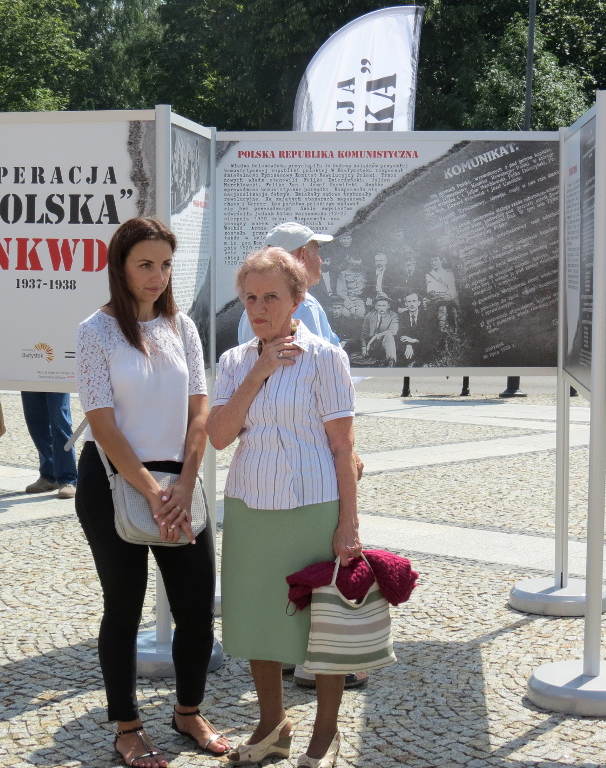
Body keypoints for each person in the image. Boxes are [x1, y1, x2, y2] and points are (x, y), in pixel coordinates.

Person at [75, 217, 227, 768]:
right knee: (123, 608)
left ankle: (188, 712)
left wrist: (184, 483)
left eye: (165, 264)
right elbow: (102, 423)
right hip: (112, 481)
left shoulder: (181, 326)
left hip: (178, 483)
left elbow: (200, 411)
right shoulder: (95, 331)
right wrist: (152, 491)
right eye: (145, 264)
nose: (157, 275)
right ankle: (127, 728)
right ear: (119, 266)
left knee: (196, 610)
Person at [209, 246, 362, 768]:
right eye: (251, 297)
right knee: (259, 618)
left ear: (297, 300)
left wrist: (348, 522)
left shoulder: (325, 358)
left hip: (313, 505)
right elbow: (219, 437)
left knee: (323, 625)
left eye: (271, 296)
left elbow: (343, 447)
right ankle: (272, 726)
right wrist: (259, 371)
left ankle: (326, 731)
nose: (259, 308)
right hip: (251, 505)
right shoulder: (234, 362)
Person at [237, 222, 337, 346]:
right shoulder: (304, 304)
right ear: (303, 255)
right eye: (316, 253)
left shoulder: (250, 311)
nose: (320, 260)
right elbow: (315, 355)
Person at [21, 391, 77, 498]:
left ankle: (68, 479)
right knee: (34, 419)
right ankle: (48, 475)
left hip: (58, 380)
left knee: (59, 419)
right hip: (29, 380)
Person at [397, 292, 436, 366]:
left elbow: (428, 335)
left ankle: (420, 361)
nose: (412, 304)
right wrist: (408, 344)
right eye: (409, 302)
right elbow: (401, 333)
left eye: (414, 301)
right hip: (408, 346)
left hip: (422, 344)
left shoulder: (427, 315)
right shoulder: (402, 316)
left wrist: (414, 340)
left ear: (419, 303)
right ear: (406, 304)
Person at [361, 297, 399, 367]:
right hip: (372, 346)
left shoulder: (393, 315)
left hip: (385, 345)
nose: (381, 308)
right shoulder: (369, 316)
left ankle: (391, 361)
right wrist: (364, 346)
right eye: (379, 305)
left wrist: (376, 336)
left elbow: (393, 331)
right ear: (375, 307)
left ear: (388, 306)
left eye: (384, 305)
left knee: (389, 336)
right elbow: (364, 333)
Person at [425, 255, 459, 333]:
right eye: (431, 261)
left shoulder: (449, 274)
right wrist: (439, 295)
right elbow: (430, 290)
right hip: (435, 300)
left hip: (448, 299)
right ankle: (442, 327)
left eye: (435, 260)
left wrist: (447, 296)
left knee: (452, 309)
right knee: (442, 306)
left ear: (441, 261)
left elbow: (452, 289)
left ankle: (454, 329)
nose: (433, 263)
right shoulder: (428, 275)